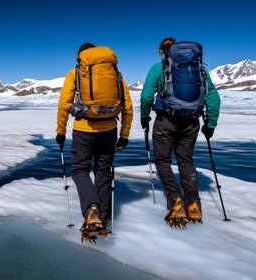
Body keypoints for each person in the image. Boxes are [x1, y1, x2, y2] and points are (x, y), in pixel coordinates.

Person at [140, 37, 220, 228]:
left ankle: (175, 200)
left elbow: (145, 97)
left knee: (162, 160)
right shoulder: (199, 69)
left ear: (162, 51)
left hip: (166, 122)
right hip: (191, 122)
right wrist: (210, 125)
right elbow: (214, 99)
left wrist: (144, 117)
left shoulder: (158, 68)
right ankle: (193, 203)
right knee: (186, 161)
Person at [56, 42, 133, 238]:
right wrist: (124, 134)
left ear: (81, 57)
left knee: (80, 169)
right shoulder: (115, 72)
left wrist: (61, 132)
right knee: (103, 171)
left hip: (83, 129)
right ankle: (104, 217)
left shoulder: (75, 73)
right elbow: (128, 106)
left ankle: (91, 209)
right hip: (109, 130)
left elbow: (64, 104)